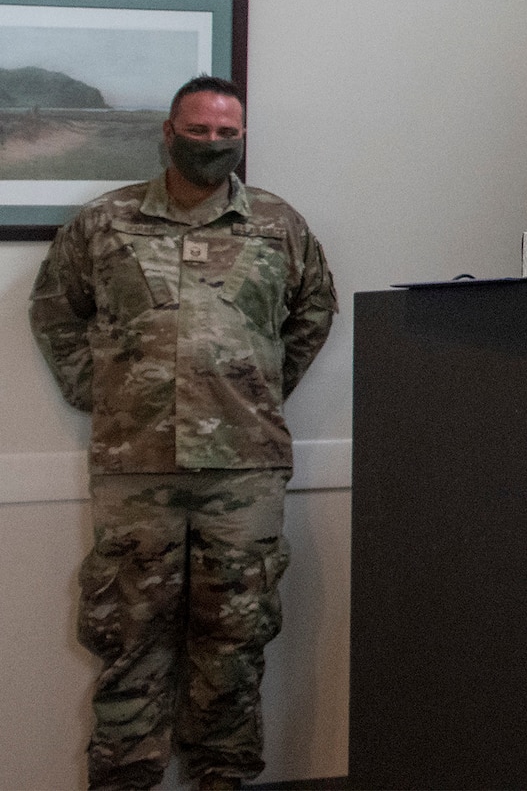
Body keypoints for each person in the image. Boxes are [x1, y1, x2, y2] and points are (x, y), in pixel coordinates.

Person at [31, 76, 337, 791]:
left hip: (244, 470)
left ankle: (221, 778)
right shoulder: (105, 222)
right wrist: (101, 389)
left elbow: (314, 311)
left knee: (235, 640)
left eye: (225, 131)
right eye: (196, 129)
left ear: (241, 137)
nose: (211, 142)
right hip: (136, 470)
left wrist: (255, 387)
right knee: (129, 639)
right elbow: (54, 309)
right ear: (167, 133)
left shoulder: (277, 225)